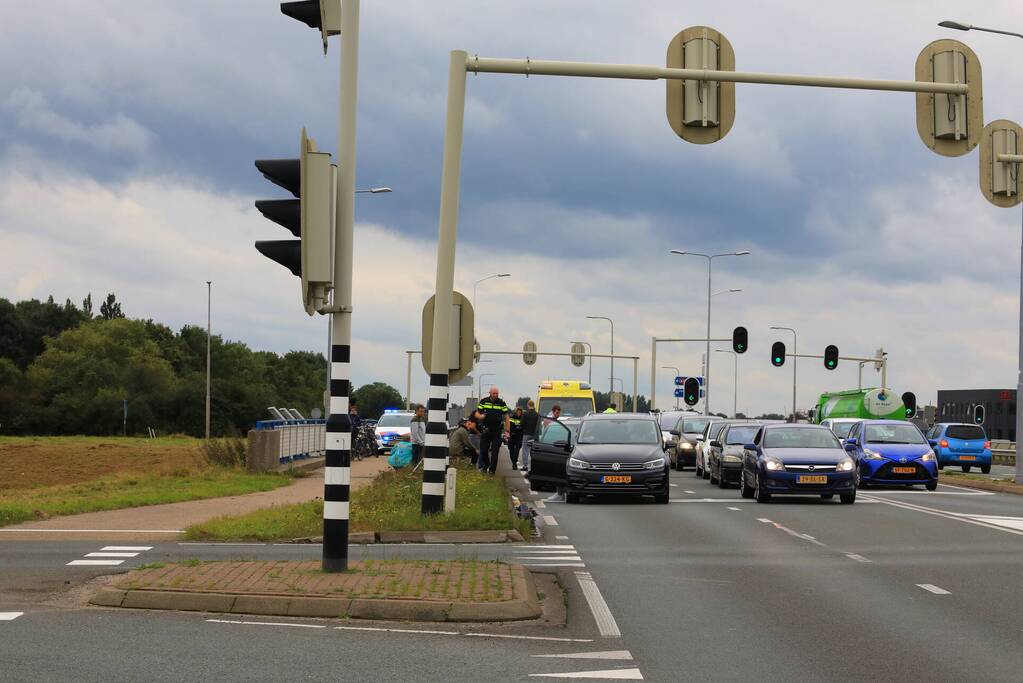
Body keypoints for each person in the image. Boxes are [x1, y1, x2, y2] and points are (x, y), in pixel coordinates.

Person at [477, 386, 510, 473]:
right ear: (490, 393)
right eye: (494, 393)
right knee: (484, 450)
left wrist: (507, 431)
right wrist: (480, 416)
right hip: (486, 430)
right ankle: (486, 464)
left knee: (495, 452)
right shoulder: (483, 401)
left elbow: (506, 417)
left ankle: (492, 471)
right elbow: (477, 413)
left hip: (497, 431)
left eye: (497, 393)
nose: (495, 395)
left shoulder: (501, 403)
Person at [519, 399, 540, 472]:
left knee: (525, 450)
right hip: (534, 434)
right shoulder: (537, 414)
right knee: (532, 450)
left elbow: (521, 424)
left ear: (528, 405)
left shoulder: (525, 414)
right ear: (533, 405)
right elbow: (538, 425)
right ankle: (533, 466)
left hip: (526, 434)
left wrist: (522, 429)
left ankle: (525, 466)